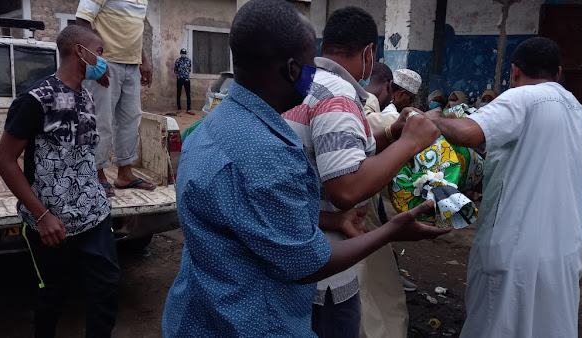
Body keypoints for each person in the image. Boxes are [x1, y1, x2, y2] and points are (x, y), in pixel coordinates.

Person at [161, 1, 450, 337]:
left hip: (199, 314)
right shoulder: (266, 152)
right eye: (310, 65)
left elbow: (254, 215)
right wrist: (392, 230)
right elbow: (309, 263)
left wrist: (336, 218)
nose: (317, 75)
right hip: (252, 322)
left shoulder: (209, 127)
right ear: (291, 70)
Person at [282, 8, 441, 338]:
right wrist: (410, 142)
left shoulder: (303, 84)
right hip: (325, 271)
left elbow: (334, 153)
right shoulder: (338, 96)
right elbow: (345, 189)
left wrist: (393, 134)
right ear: (369, 53)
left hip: (293, 253)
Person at [423, 37, 582, 337]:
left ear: (513, 72)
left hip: (515, 250)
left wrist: (433, 119)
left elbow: (468, 133)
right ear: (559, 73)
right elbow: (530, 153)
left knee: (496, 326)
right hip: (563, 253)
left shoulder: (522, 97)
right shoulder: (578, 111)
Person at [0, 25, 119, 338]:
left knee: (106, 292)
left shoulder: (86, 97)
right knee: (52, 298)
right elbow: (4, 160)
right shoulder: (36, 100)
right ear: (80, 51)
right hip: (52, 226)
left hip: (94, 216)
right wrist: (41, 215)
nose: (102, 60)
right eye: (99, 52)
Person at [76, 0, 155, 197]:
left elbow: (135, 31)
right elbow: (82, 21)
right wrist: (95, 61)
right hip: (106, 63)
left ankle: (125, 174)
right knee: (101, 121)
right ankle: (97, 174)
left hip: (131, 65)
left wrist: (143, 60)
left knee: (131, 119)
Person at [173, 48, 192, 113]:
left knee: (188, 94)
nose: (183, 55)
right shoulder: (178, 60)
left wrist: (185, 74)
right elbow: (175, 70)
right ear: (180, 53)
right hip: (180, 79)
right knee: (179, 93)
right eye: (182, 53)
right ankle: (179, 108)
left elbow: (189, 69)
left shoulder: (189, 60)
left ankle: (188, 109)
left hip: (186, 79)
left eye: (184, 54)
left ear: (185, 54)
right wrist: (179, 74)